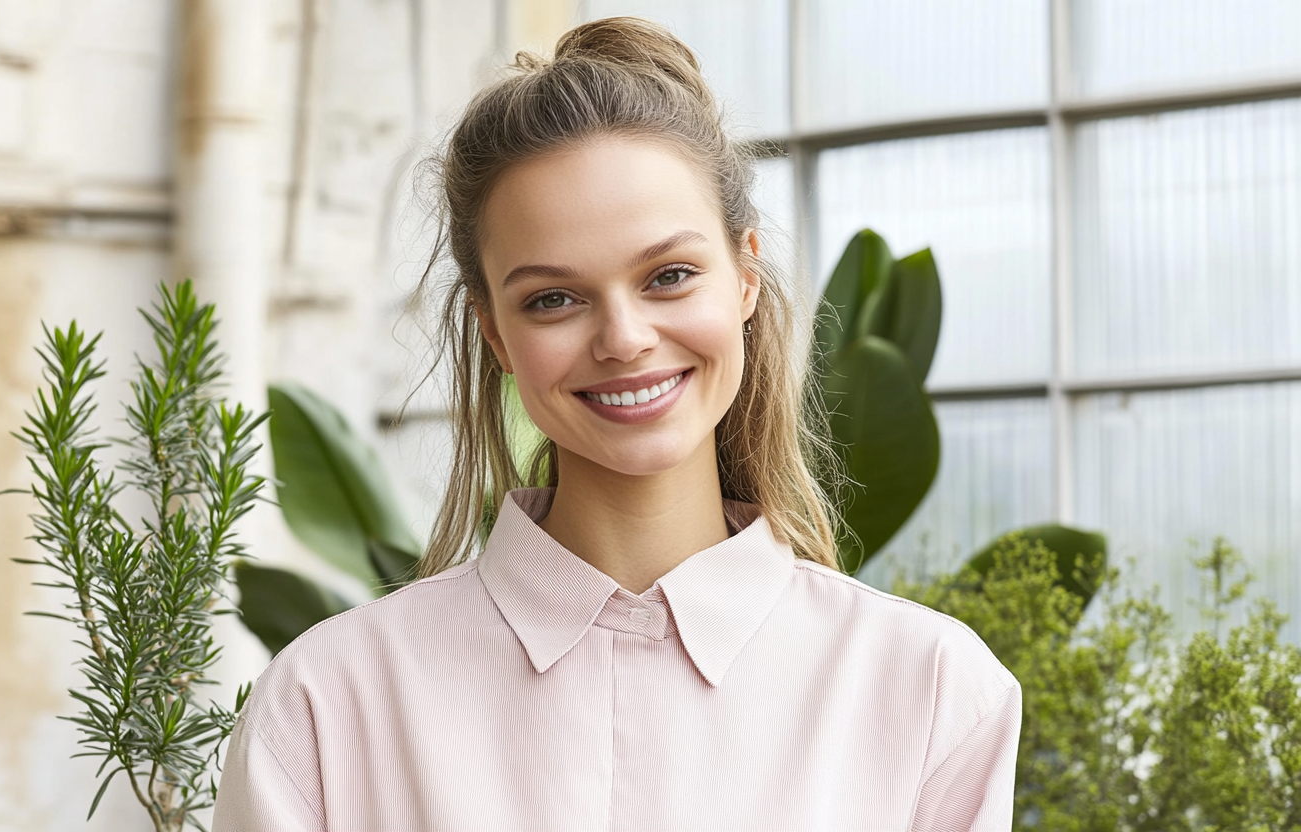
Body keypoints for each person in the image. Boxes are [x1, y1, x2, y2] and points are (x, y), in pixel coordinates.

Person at [213, 16, 1020, 832]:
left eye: (669, 276)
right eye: (553, 298)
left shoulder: (933, 692)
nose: (625, 339)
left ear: (743, 278)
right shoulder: (324, 704)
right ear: (495, 332)